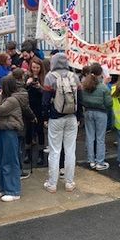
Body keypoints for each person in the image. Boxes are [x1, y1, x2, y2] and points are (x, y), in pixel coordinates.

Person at [41, 53, 81, 193]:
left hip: (55, 117)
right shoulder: (74, 76)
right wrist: (79, 117)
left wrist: (45, 118)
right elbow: (79, 99)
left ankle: (52, 184)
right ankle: (69, 183)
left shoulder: (50, 77)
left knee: (54, 151)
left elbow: (45, 101)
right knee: (70, 150)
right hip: (72, 117)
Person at [0, 75, 27, 201]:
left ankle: (13, 190)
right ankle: (3, 188)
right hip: (3, 129)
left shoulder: (11, 100)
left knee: (10, 160)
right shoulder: (7, 98)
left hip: (10, 131)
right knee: (1, 159)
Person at [80, 63, 113, 171]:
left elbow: (82, 100)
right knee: (100, 138)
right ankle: (100, 161)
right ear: (101, 73)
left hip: (88, 112)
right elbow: (109, 103)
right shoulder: (103, 87)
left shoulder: (85, 85)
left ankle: (91, 160)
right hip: (101, 113)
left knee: (90, 137)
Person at [24, 57, 46, 166]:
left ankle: (41, 154)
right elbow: (22, 90)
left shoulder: (44, 77)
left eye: (37, 68)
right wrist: (27, 83)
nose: (35, 70)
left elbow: (46, 93)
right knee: (28, 129)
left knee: (39, 130)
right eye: (33, 67)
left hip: (39, 106)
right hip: (29, 105)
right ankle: (27, 153)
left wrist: (40, 87)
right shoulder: (27, 76)